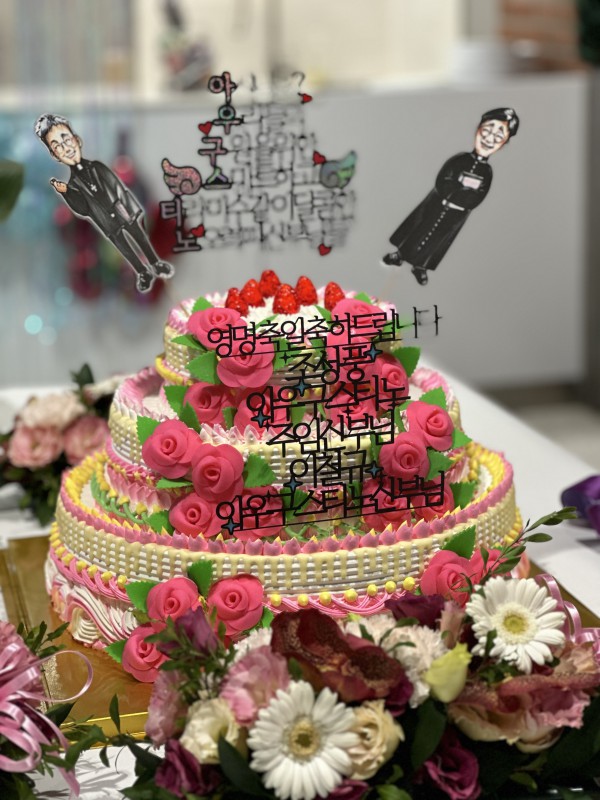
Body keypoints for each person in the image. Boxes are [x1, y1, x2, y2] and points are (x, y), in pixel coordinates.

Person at [34, 113, 175, 293]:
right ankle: (142, 272)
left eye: (66, 140)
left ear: (76, 140)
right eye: (57, 147)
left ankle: (155, 263)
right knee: (123, 246)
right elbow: (82, 209)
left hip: (121, 209)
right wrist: (67, 192)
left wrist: (130, 207)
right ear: (55, 155)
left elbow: (118, 186)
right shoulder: (74, 184)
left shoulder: (99, 167)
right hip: (104, 220)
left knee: (138, 235)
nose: (65, 148)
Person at [382, 108, 519, 285]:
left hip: (455, 215)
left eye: (498, 136)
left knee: (438, 240)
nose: (489, 139)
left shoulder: (487, 172)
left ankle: (421, 267)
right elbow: (442, 181)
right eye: (487, 130)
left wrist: (461, 195)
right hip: (436, 204)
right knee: (418, 230)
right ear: (478, 129)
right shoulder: (459, 159)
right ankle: (400, 255)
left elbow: (478, 197)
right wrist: (460, 190)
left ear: (504, 142)